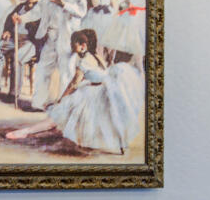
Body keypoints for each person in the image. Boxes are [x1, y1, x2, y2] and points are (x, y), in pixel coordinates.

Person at [45, 28, 143, 156]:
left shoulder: (83, 62)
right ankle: (120, 144)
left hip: (99, 90)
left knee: (81, 108)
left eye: (73, 43)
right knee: (111, 118)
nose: (71, 46)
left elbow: (74, 83)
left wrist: (62, 98)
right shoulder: (96, 56)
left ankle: (88, 141)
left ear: (83, 46)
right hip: (107, 88)